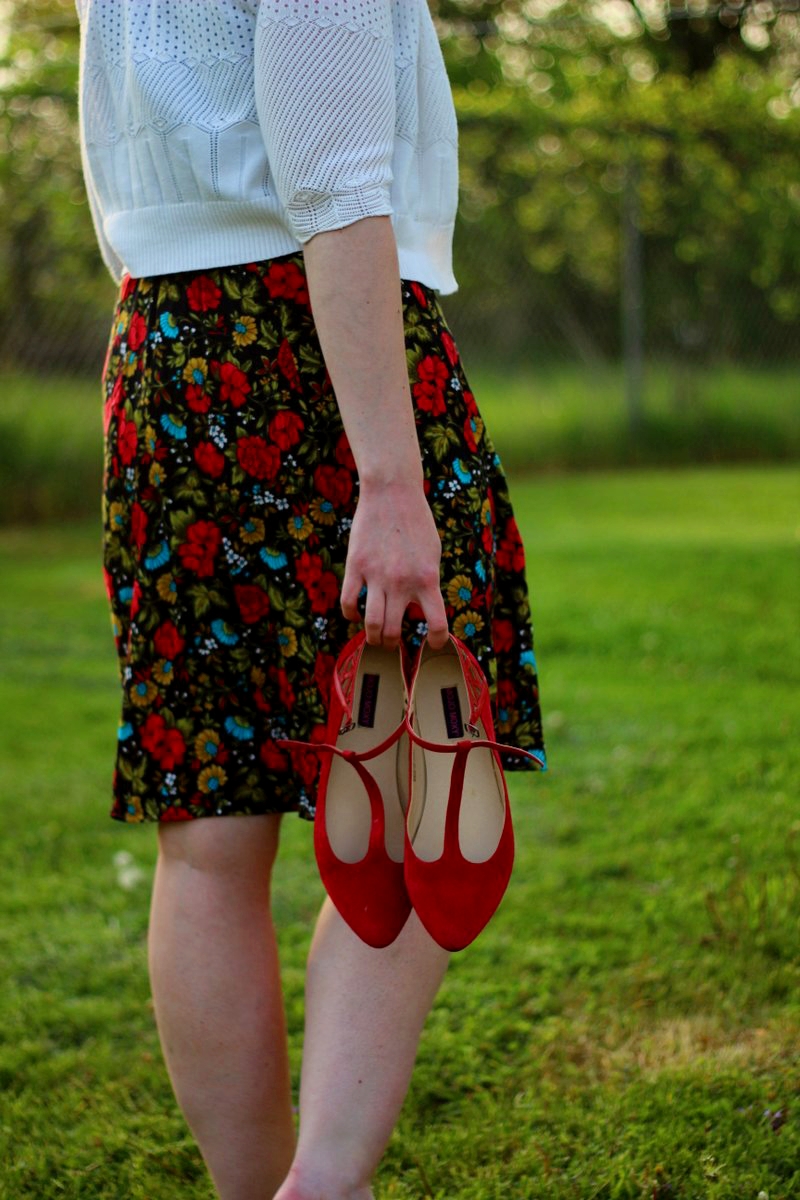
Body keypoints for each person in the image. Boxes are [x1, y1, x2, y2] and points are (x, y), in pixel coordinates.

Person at [76, 2, 546, 1196]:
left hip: (166, 349)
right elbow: (331, 182)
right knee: (412, 788)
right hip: (319, 345)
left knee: (211, 830)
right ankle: (321, 1188)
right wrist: (390, 482)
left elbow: (125, 163)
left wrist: (138, 376)